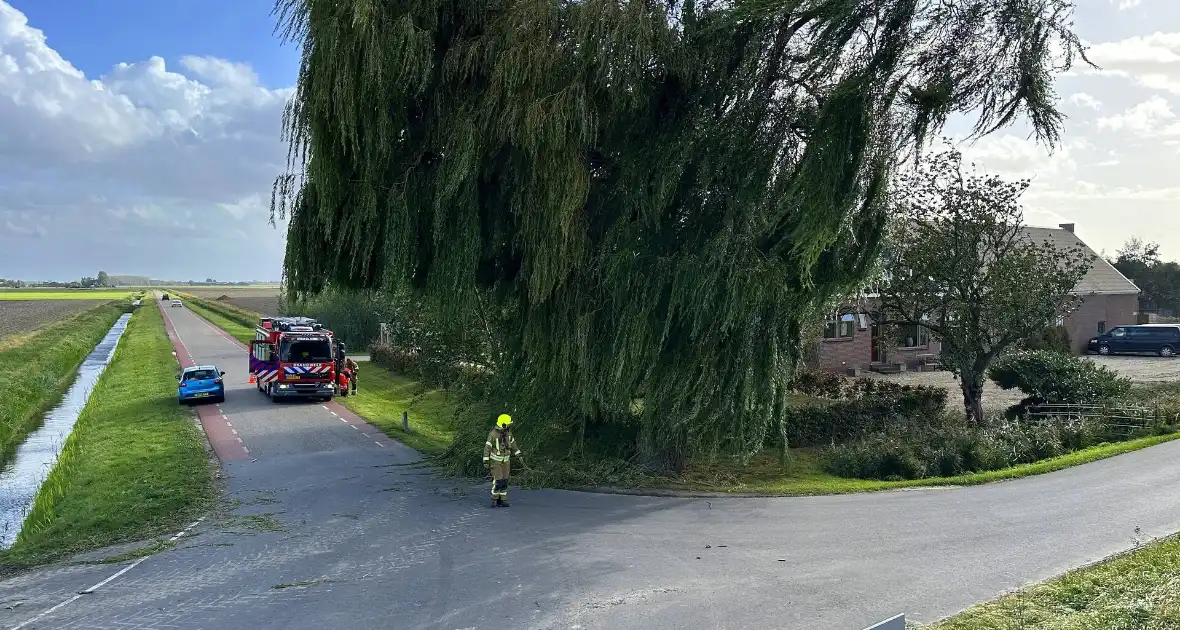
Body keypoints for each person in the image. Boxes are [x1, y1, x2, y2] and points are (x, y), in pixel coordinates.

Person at [483, 414, 523, 507]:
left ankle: (502, 499)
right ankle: (494, 499)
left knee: (504, 480)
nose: (509, 426)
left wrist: (518, 454)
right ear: (503, 424)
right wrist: (486, 460)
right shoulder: (493, 434)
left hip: (506, 461)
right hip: (495, 461)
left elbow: (513, 445)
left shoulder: (508, 433)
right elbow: (487, 448)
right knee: (498, 480)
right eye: (508, 424)